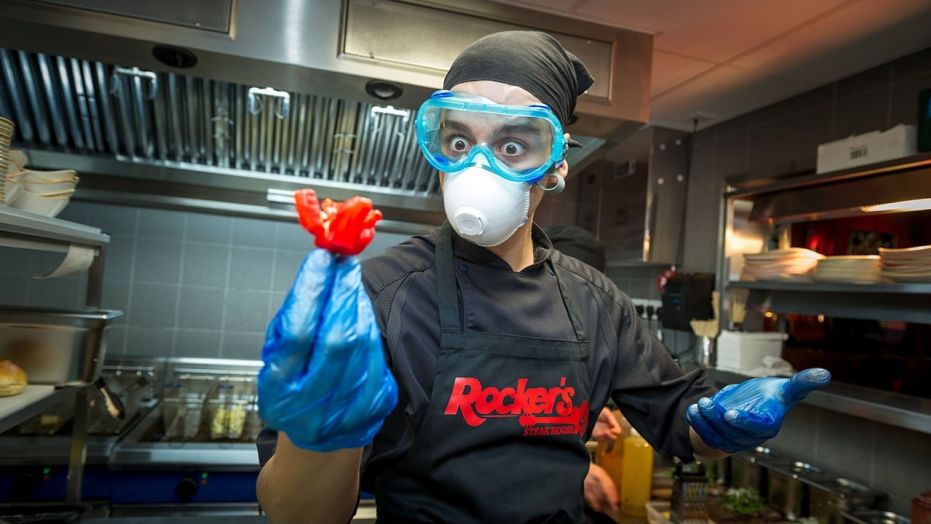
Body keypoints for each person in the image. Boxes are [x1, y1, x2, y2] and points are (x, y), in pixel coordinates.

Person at [255, 31, 831, 524]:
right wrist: (319, 437)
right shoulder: (376, 295)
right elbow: (297, 514)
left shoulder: (594, 300)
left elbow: (681, 425)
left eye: (513, 144)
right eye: (458, 141)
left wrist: (725, 423)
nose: (477, 166)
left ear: (555, 164)